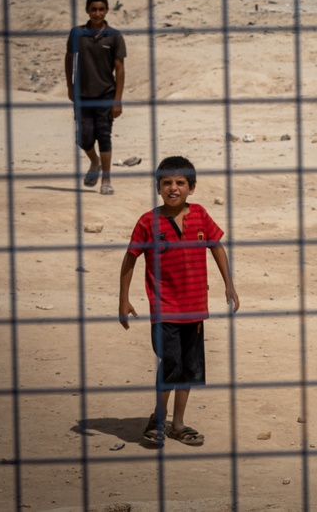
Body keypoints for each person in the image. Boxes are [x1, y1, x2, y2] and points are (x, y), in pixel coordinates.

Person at [119, 156, 240, 448]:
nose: (174, 188)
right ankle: (157, 420)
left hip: (195, 308)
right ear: (158, 187)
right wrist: (123, 299)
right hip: (164, 309)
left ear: (192, 187)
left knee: (189, 368)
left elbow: (216, 246)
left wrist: (229, 284)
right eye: (167, 183)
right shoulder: (148, 221)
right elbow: (130, 257)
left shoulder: (200, 215)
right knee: (170, 363)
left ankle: (178, 423)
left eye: (180, 183)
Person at [65, 0, 126, 195]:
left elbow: (120, 68)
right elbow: (68, 59)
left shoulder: (114, 36)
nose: (97, 13)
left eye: (101, 9)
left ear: (107, 10)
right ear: (87, 11)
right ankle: (94, 162)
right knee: (83, 138)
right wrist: (69, 86)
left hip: (105, 95)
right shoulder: (77, 34)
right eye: (93, 9)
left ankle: (106, 180)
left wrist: (117, 100)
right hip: (82, 95)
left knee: (104, 136)